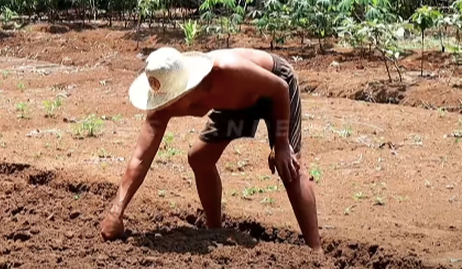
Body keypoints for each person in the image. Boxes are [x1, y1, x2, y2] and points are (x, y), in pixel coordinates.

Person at [100, 46, 322, 252]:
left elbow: (280, 88)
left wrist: (282, 143)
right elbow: (140, 158)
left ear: (185, 89)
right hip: (234, 104)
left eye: (170, 100)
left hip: (273, 92)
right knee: (200, 158)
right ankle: (216, 230)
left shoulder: (225, 70)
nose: (164, 106)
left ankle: (316, 252)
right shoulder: (160, 107)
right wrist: (116, 212)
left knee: (290, 167)